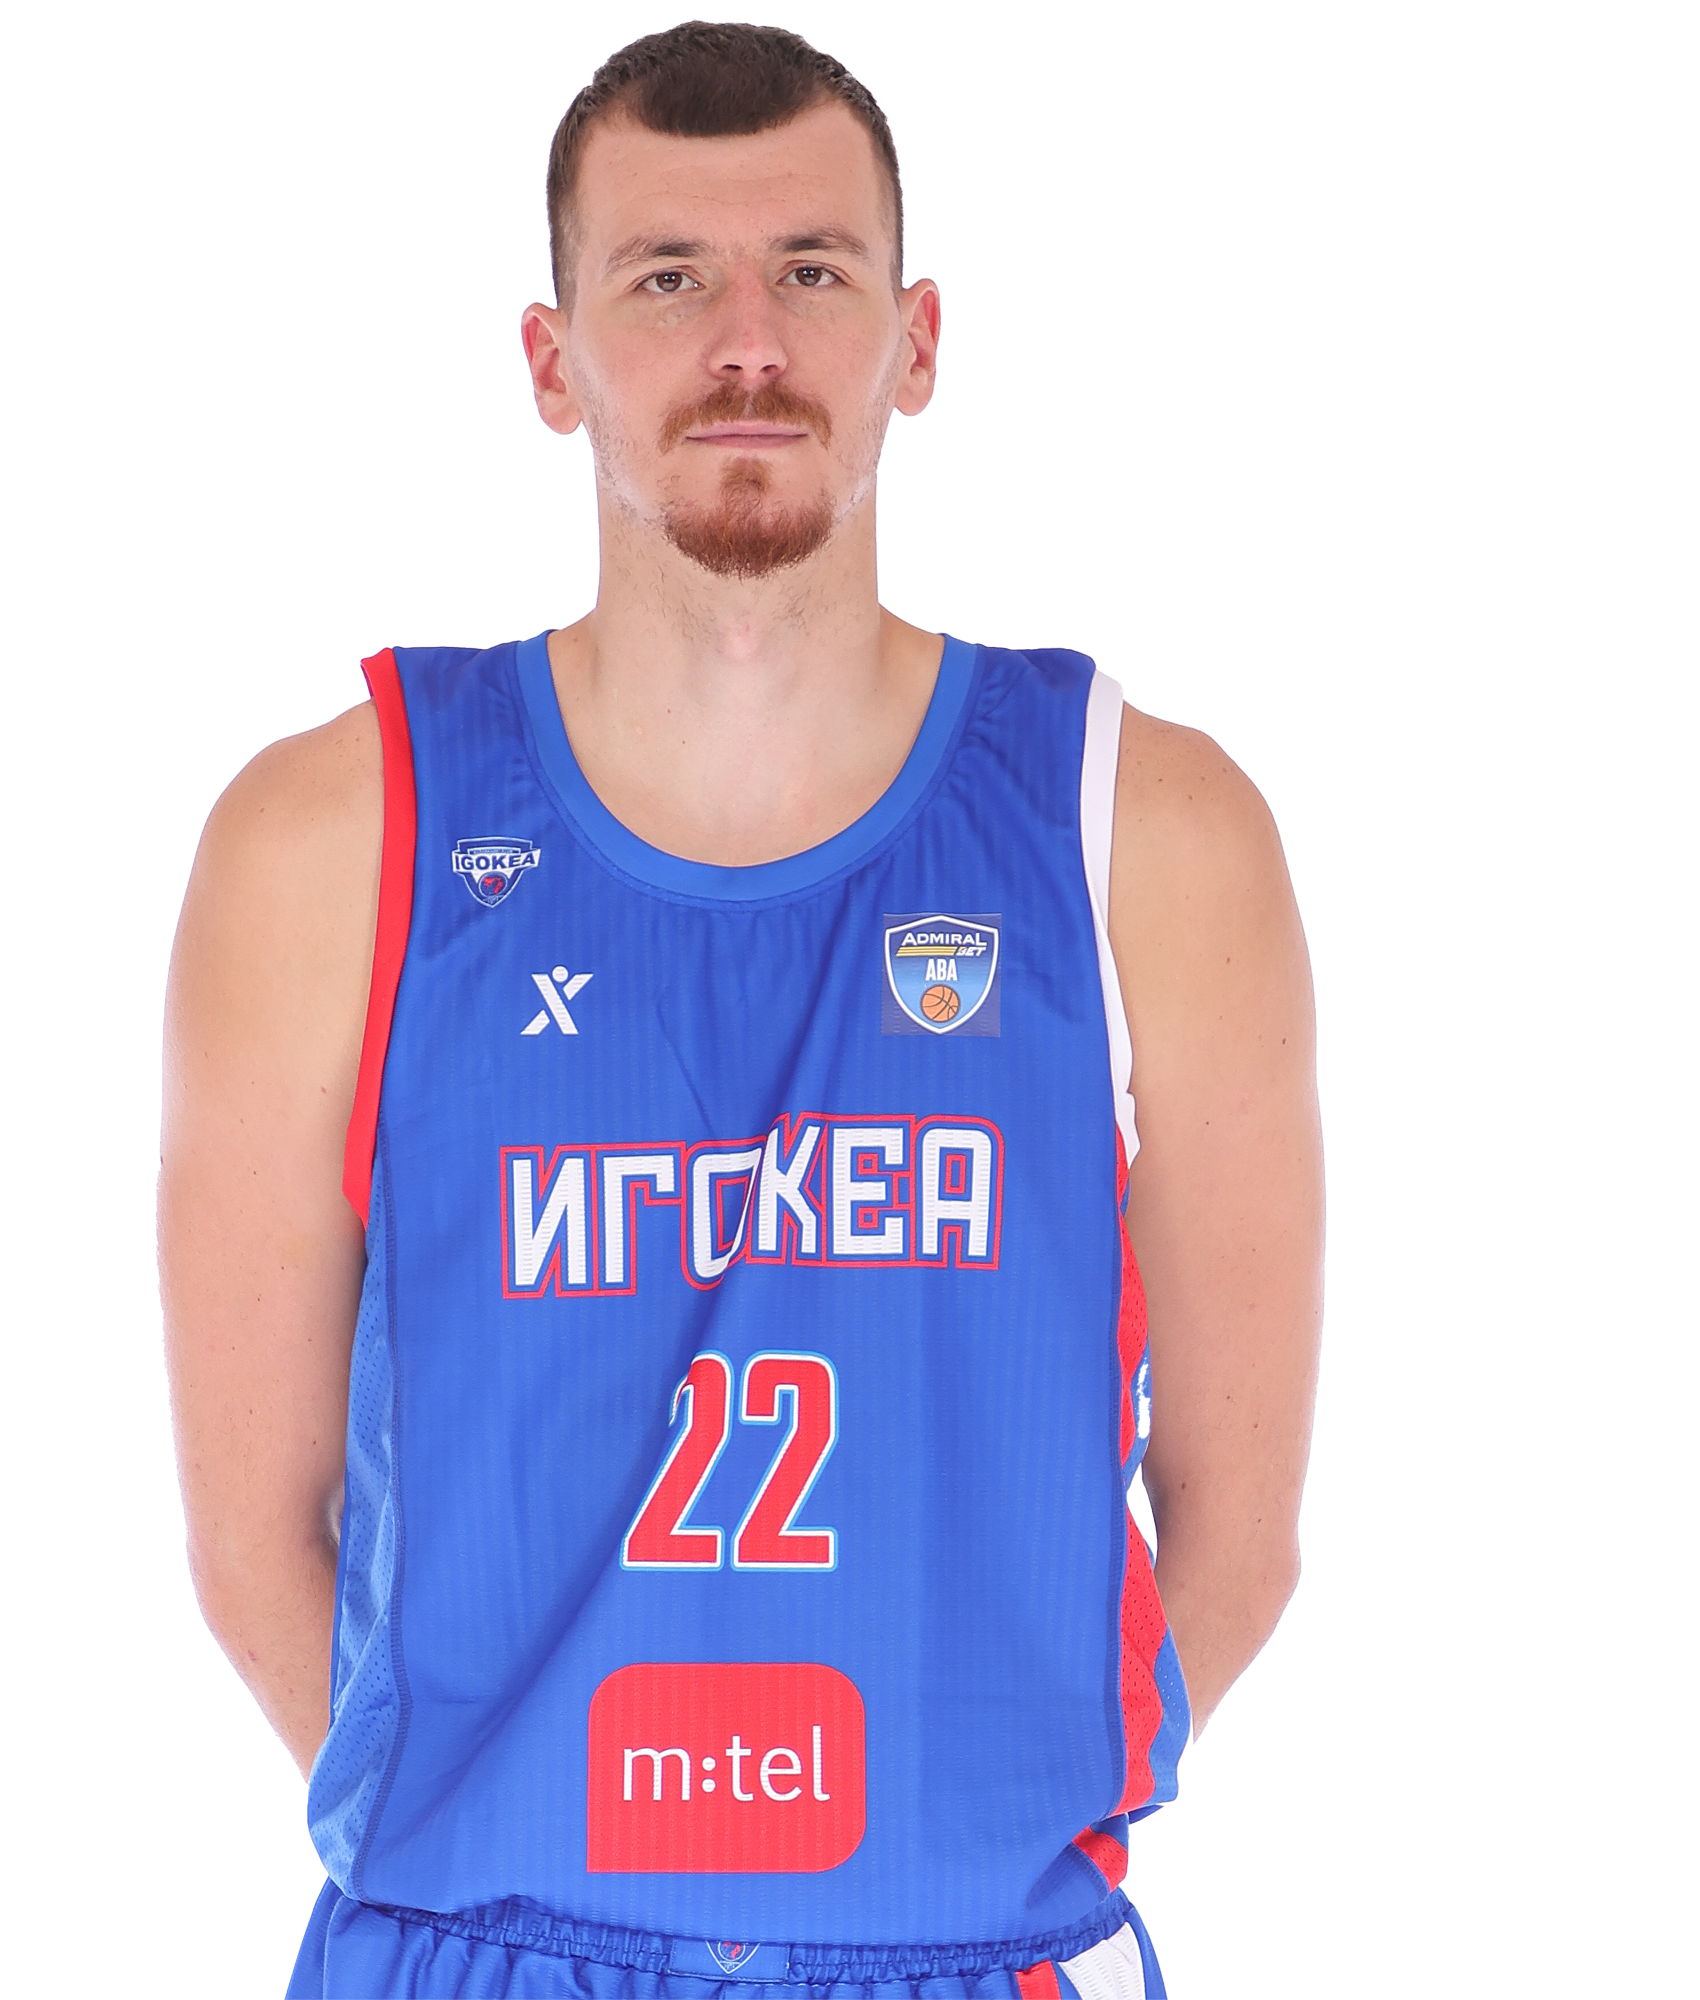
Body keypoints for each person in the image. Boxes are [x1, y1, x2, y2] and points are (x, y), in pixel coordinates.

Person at [160, 20, 1322, 2000]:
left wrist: (958, 1850)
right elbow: (252, 1531)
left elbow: (1239, 1526)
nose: (749, 342)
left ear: (916, 341)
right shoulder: (332, 838)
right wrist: (495, 1851)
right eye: (667, 278)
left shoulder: (1143, 824)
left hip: (960, 1950)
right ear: (553, 362)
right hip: (484, 1947)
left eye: (813, 270)